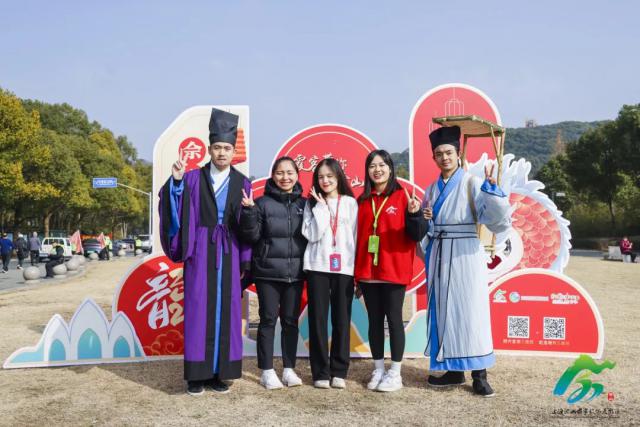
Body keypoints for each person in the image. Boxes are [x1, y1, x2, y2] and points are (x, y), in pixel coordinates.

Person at [158, 108, 252, 396]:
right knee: (199, 309)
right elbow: (173, 207)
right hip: (200, 250)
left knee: (227, 311)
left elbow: (247, 225)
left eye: (227, 148)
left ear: (233, 151)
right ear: (209, 149)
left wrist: (245, 260)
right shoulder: (191, 179)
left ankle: (221, 373)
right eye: (217, 147)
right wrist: (175, 182)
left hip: (230, 251)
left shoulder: (242, 183)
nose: (222, 152)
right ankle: (197, 375)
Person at [421, 126, 511, 398]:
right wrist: (425, 219)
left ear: (458, 154)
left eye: (449, 152)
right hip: (439, 254)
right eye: (439, 154)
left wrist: (492, 191)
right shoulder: (431, 189)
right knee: (445, 312)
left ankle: (480, 376)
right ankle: (453, 370)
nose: (444, 157)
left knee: (471, 312)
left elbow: (494, 218)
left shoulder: (472, 182)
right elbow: (426, 227)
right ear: (434, 158)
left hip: (465, 255)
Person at [354, 150, 427, 392]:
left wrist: (415, 214)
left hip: (394, 270)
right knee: (374, 321)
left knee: (394, 320)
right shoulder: (362, 201)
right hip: (368, 272)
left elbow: (417, 234)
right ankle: (378, 369)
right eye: (372, 166)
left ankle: (395, 373)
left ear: (390, 168)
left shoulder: (402, 196)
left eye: (382, 165)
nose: (377, 170)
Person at [239, 156, 307, 390]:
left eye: (289, 172)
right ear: (273, 175)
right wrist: (249, 212)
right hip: (267, 272)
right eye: (280, 172)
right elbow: (251, 236)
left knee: (290, 322)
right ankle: (267, 371)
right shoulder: (261, 204)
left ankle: (289, 369)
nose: (285, 177)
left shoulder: (305, 204)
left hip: (295, 273)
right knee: (268, 320)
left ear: (297, 175)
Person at [302, 158, 358, 389]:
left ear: (338, 177)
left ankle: (339, 371)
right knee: (318, 320)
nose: (325, 181)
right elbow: (312, 235)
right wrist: (321, 208)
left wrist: (355, 271)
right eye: (321, 177)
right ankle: (320, 373)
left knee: (341, 320)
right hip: (317, 266)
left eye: (329, 176)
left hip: (344, 268)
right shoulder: (311, 204)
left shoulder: (350, 203)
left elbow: (355, 238)